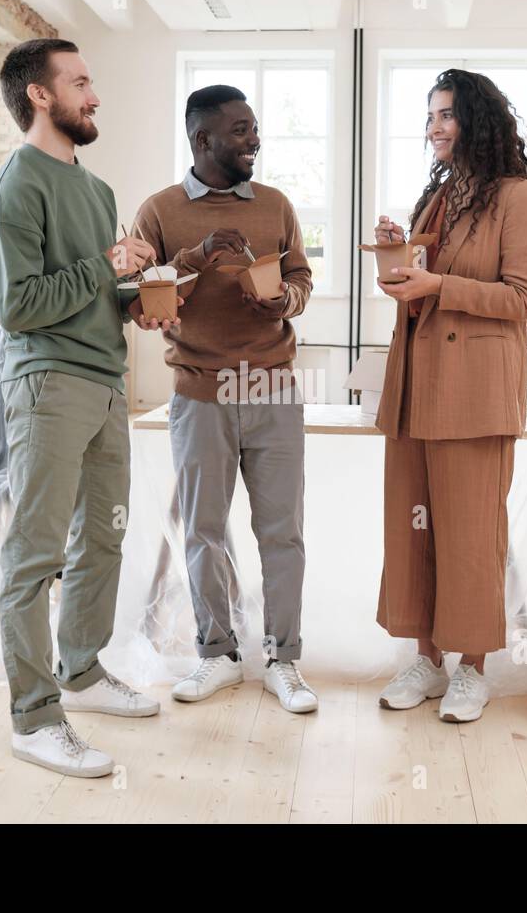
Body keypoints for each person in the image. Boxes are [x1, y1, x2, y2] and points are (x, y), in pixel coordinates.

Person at [0, 38, 178, 778]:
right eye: (81, 82)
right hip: (46, 384)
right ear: (40, 95)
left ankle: (83, 673)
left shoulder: (94, 191)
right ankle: (34, 716)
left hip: (103, 382)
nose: (94, 96)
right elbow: (19, 308)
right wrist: (105, 268)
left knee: (104, 538)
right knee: (35, 553)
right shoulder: (14, 188)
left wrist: (135, 303)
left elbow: (92, 296)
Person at [372, 68, 527, 723]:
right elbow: (423, 280)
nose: (434, 128)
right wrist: (402, 255)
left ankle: (474, 665)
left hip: (474, 394)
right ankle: (427, 656)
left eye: (445, 115)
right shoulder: (442, 195)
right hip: (418, 388)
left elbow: (520, 299)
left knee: (470, 533)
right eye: (428, 117)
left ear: (477, 120)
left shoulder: (518, 196)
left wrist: (436, 285)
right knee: (413, 526)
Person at [130, 85, 317, 713]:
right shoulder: (158, 212)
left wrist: (281, 301)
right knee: (203, 531)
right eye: (240, 131)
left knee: (282, 532)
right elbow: (142, 297)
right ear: (202, 139)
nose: (254, 140)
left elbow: (300, 279)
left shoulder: (277, 204)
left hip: (271, 386)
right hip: (199, 392)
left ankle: (284, 661)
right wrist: (196, 257)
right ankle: (217, 655)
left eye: (255, 128)